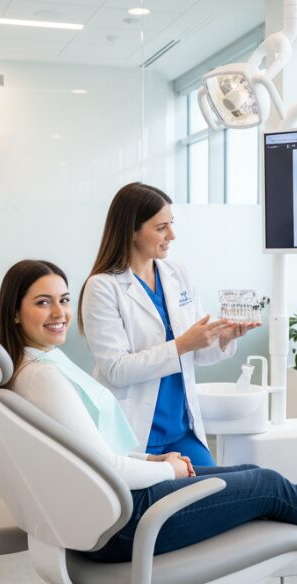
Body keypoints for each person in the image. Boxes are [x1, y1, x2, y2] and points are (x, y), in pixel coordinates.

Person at [0, 259, 297, 564]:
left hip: (116, 508)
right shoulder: (41, 375)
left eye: (63, 299)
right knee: (265, 486)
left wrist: (149, 461)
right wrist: (167, 469)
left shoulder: (40, 364)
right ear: (15, 312)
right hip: (124, 523)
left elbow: (89, 453)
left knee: (252, 474)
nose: (60, 313)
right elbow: (100, 463)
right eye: (43, 302)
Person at [78, 182, 258, 467]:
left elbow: (196, 353)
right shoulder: (102, 288)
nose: (171, 235)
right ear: (132, 231)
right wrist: (183, 344)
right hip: (135, 432)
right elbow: (116, 370)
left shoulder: (178, 274)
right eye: (161, 228)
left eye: (170, 225)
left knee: (221, 488)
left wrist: (221, 338)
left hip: (180, 429)